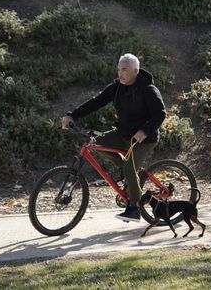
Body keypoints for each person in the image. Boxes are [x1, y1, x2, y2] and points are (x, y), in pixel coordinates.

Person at [62, 53, 166, 222]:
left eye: (124, 70)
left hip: (143, 140)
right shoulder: (117, 87)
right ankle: (128, 173)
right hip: (122, 134)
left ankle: (134, 208)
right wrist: (72, 115)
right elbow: (97, 101)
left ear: (136, 71)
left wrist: (145, 131)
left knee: (129, 168)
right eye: (118, 69)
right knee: (98, 143)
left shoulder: (148, 89)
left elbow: (160, 114)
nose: (120, 73)